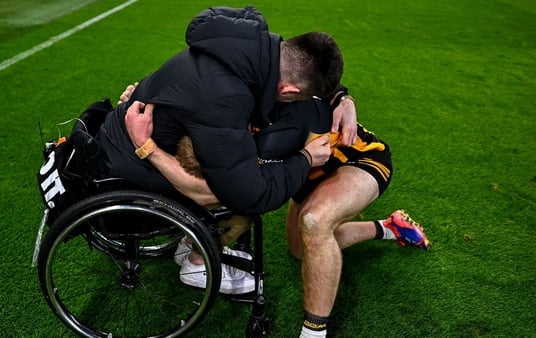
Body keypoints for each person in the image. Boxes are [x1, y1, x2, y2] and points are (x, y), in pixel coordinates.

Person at [121, 89, 430, 337]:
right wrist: (142, 96)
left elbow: (315, 75)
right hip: (306, 171)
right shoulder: (226, 111)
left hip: (358, 161)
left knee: (315, 221)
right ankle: (389, 227)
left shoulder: (265, 112)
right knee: (301, 250)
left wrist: (344, 98)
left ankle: (314, 332)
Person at [95, 5, 345, 294]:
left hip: (120, 139)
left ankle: (192, 243)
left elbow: (304, 67)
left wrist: (341, 98)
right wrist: (305, 159)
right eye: (296, 98)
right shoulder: (224, 98)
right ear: (288, 91)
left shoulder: (246, 45)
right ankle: (197, 263)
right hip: (128, 169)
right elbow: (252, 195)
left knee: (244, 163)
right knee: (242, 189)